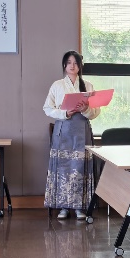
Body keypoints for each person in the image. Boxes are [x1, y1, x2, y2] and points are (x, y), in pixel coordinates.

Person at [43, 50, 101, 219]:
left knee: (80, 167)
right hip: (64, 130)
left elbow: (96, 112)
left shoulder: (88, 86)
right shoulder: (57, 85)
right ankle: (63, 207)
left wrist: (86, 109)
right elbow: (47, 108)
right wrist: (65, 113)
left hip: (82, 130)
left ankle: (80, 207)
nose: (72, 66)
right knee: (63, 167)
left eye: (76, 63)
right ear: (64, 65)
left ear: (80, 66)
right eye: (69, 62)